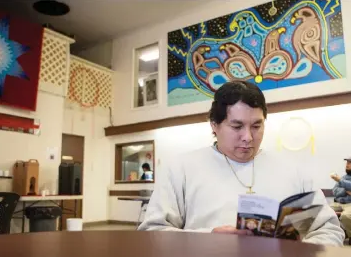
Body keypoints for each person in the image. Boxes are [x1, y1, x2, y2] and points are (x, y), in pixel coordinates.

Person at [138, 81, 344, 246]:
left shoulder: (294, 171)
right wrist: (208, 238)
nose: (248, 137)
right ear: (214, 125)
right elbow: (151, 234)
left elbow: (329, 229)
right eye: (236, 126)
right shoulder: (181, 168)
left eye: (256, 125)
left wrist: (303, 250)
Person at [331, 157, 351, 238]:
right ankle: (337, 235)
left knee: (346, 216)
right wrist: (345, 190)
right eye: (347, 163)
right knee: (322, 212)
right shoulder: (343, 177)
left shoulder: (340, 180)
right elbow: (334, 191)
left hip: (349, 204)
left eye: (350, 163)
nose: (347, 165)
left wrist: (340, 181)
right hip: (338, 203)